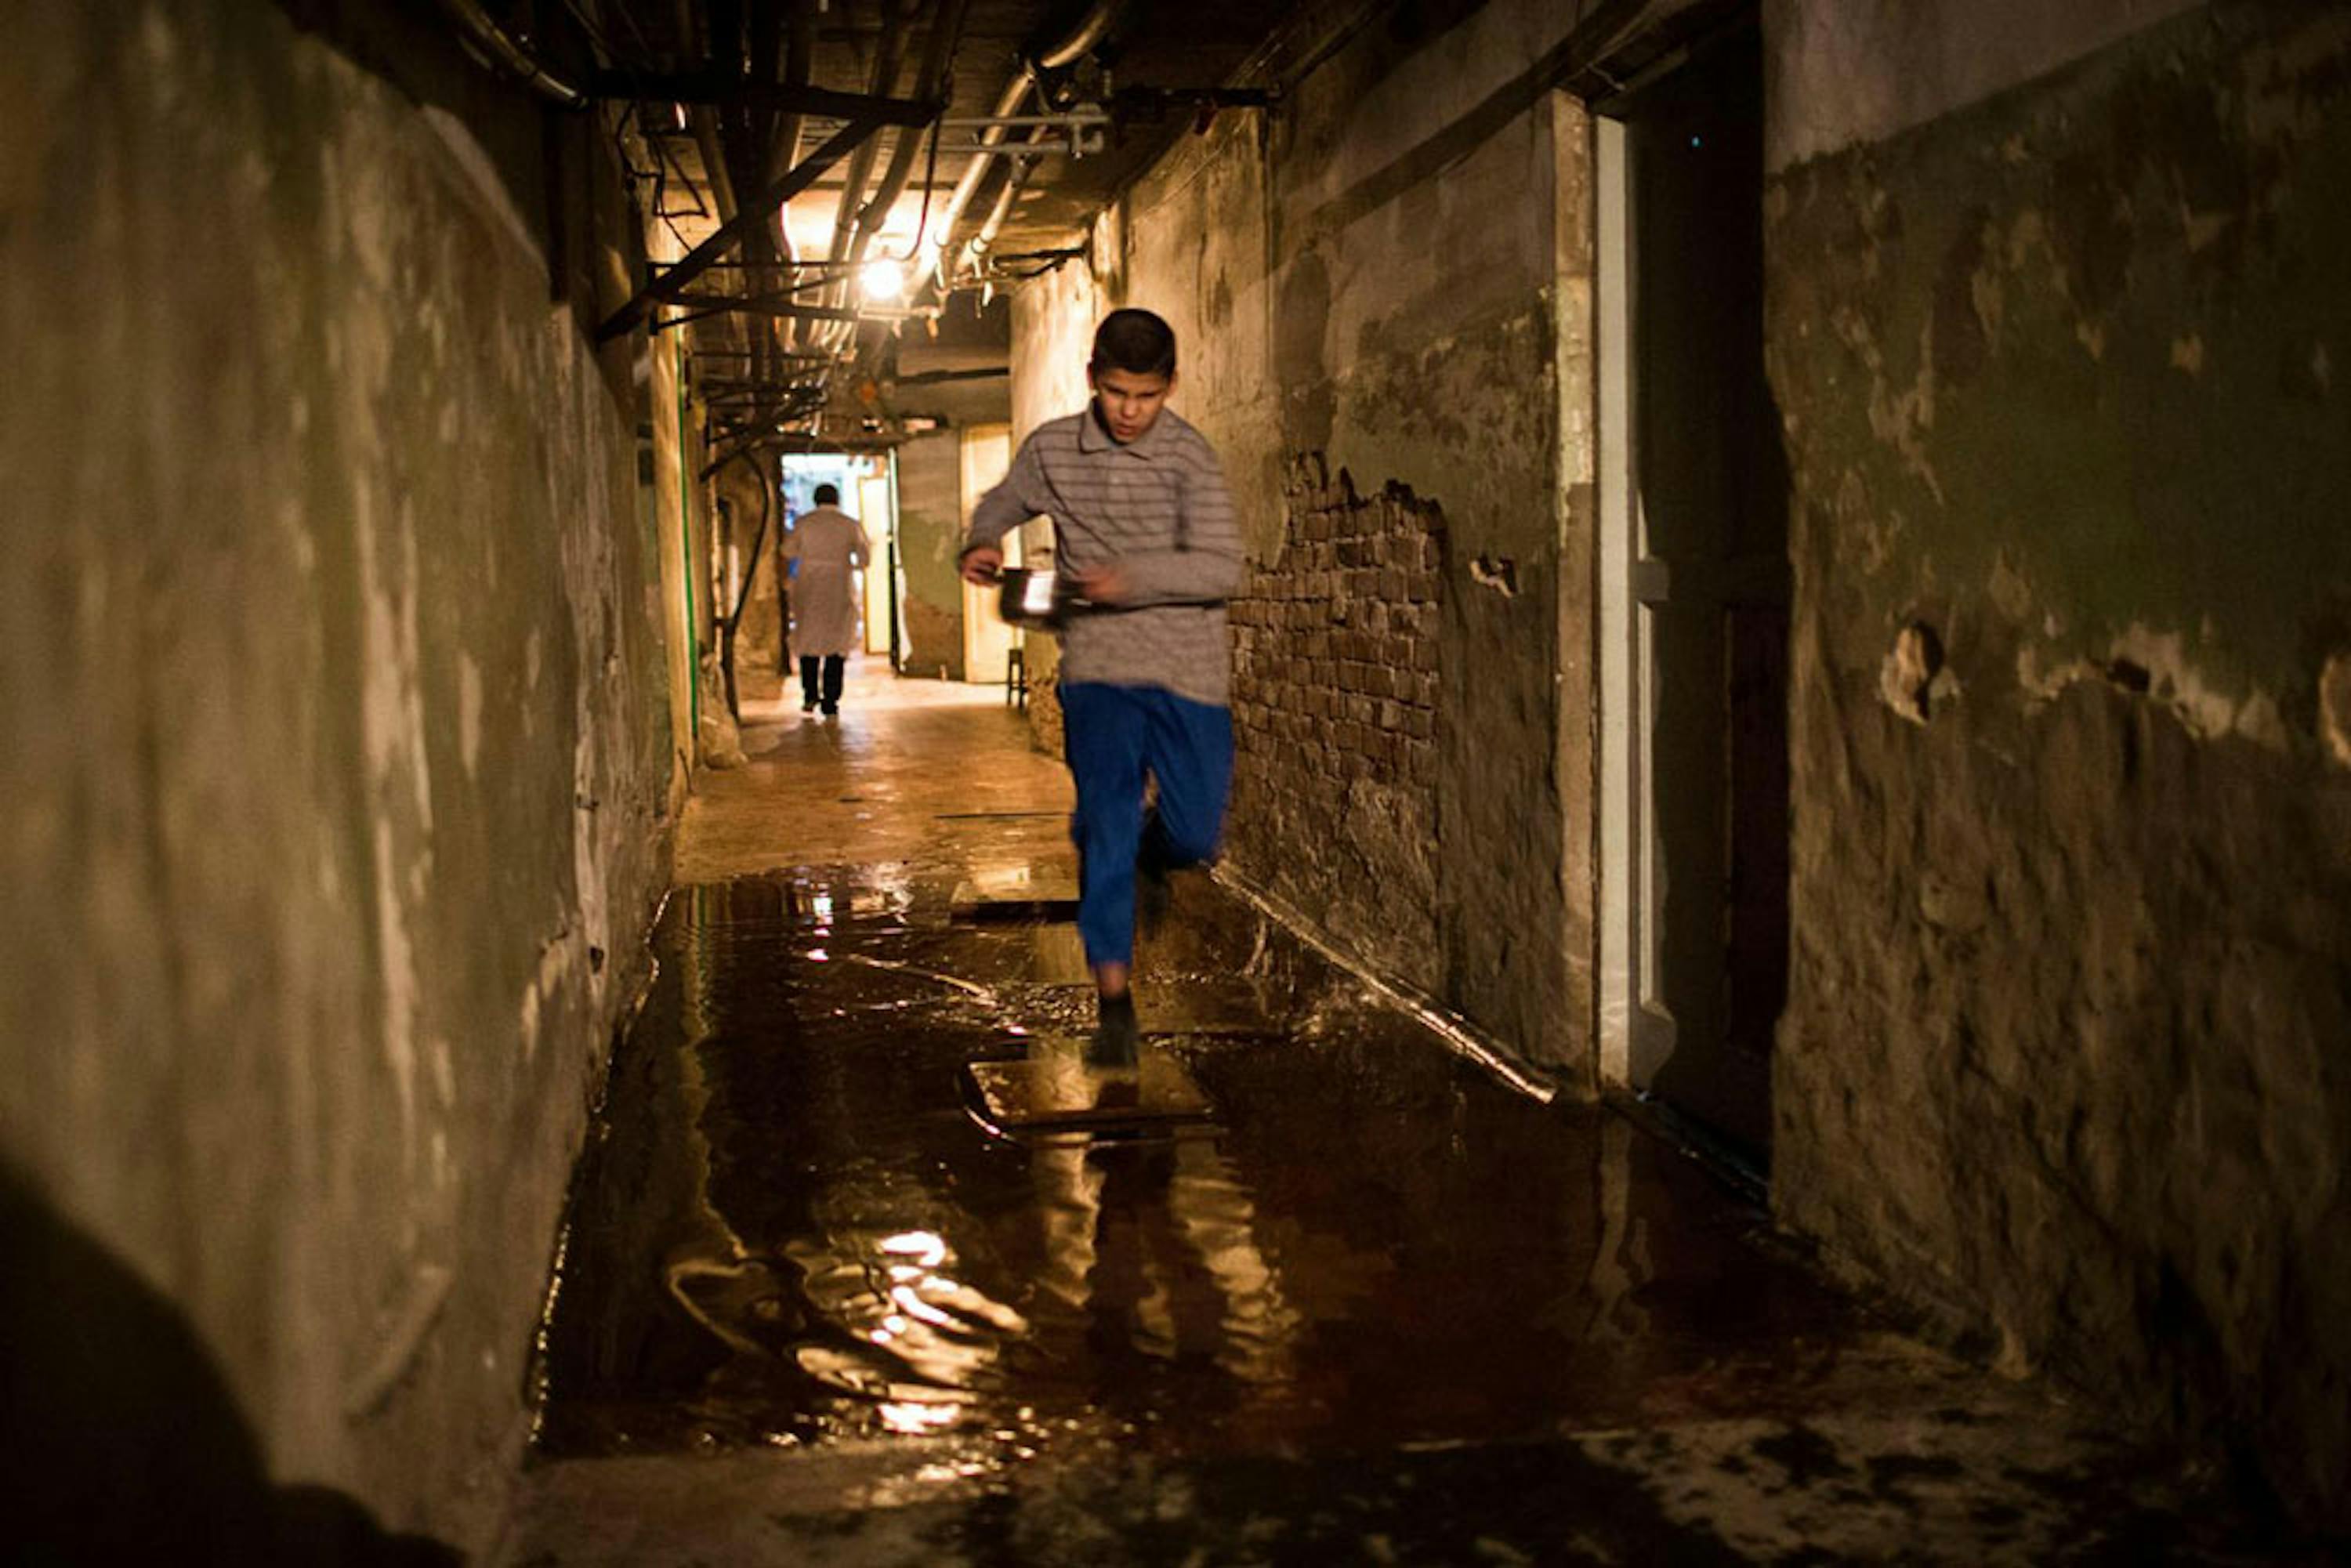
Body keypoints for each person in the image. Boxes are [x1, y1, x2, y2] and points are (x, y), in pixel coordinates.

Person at [959, 309, 1244, 1066]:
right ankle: (1114, 1003)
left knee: (1190, 833)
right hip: (1098, 672)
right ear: (1093, 379)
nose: (1130, 411)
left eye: (1146, 396)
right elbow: (1004, 499)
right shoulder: (1054, 448)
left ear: (1170, 387)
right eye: (1118, 392)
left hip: (1188, 670)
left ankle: (1144, 859)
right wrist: (983, 538)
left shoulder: (1190, 458)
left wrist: (1135, 578)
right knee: (1108, 822)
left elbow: (1223, 567)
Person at [783, 483, 871, 716]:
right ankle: (831, 700)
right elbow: (865, 557)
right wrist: (849, 564)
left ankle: (810, 695)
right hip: (839, 585)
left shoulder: (804, 523)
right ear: (837, 499)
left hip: (809, 584)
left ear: (815, 499)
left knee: (808, 639)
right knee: (836, 642)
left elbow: (788, 551)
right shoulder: (849, 525)